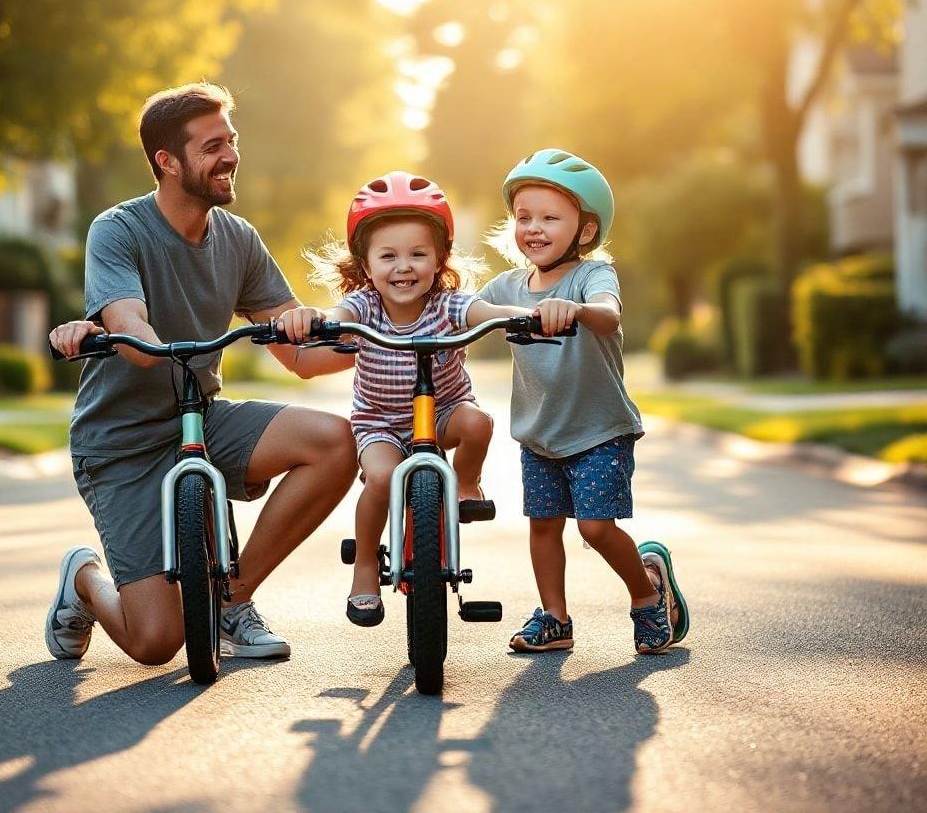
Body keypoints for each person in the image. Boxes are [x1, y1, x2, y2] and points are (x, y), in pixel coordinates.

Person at [46, 82, 356, 666]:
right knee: (156, 643)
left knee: (335, 441)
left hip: (200, 417)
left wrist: (379, 341)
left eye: (231, 141)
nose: (231, 156)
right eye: (213, 146)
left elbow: (301, 356)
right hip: (122, 442)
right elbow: (131, 329)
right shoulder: (118, 230)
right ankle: (84, 579)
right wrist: (134, 340)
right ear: (167, 161)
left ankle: (233, 601)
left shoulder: (238, 239)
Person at [286, 171, 526, 627]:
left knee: (480, 424)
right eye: (388, 255)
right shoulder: (362, 307)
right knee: (379, 480)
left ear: (439, 258)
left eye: (418, 254)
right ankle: (364, 570)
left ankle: (466, 484)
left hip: (444, 413)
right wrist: (311, 320)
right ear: (366, 263)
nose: (404, 267)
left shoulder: (448, 304)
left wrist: (532, 316)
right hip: (381, 424)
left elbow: (489, 313)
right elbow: (334, 315)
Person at [477, 148, 690, 654]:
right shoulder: (508, 285)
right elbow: (467, 309)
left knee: (595, 527)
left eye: (550, 217)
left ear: (585, 231)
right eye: (524, 217)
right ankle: (554, 618)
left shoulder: (592, 276)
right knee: (544, 527)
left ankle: (646, 593)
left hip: (599, 431)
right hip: (540, 434)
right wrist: (487, 312)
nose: (534, 227)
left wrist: (572, 309)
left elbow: (608, 314)